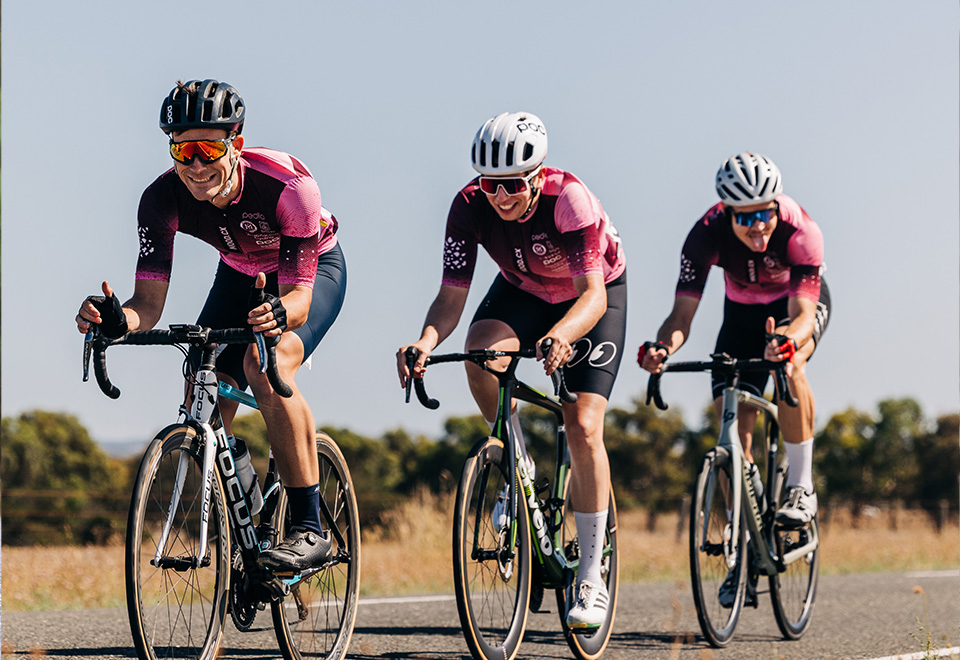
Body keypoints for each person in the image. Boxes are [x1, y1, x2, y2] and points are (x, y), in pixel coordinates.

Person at [75, 79, 347, 572]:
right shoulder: (160, 200)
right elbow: (147, 306)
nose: (196, 165)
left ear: (235, 145)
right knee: (202, 390)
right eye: (184, 150)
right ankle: (251, 516)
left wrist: (280, 314)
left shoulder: (290, 188)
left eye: (209, 149)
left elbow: (300, 298)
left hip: (309, 274)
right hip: (240, 272)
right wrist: (116, 319)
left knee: (264, 365)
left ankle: (309, 527)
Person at [396, 112, 627, 630]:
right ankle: (513, 466)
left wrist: (565, 335)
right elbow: (451, 296)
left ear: (538, 175)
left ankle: (590, 575)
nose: (501, 196)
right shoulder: (468, 206)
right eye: (490, 185)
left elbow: (592, 295)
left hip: (590, 299)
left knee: (582, 424)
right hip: (523, 291)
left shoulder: (569, 199)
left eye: (513, 185)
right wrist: (427, 340)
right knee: (481, 354)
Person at [638, 151, 830, 605]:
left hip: (793, 309)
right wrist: (662, 347)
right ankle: (741, 544)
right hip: (740, 316)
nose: (759, 226)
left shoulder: (801, 231)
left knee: (791, 362)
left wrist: (786, 338)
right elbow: (681, 314)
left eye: (765, 213)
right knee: (732, 428)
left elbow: (804, 313)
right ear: (727, 212)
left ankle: (801, 486)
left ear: (775, 206)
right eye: (747, 218)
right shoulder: (705, 236)